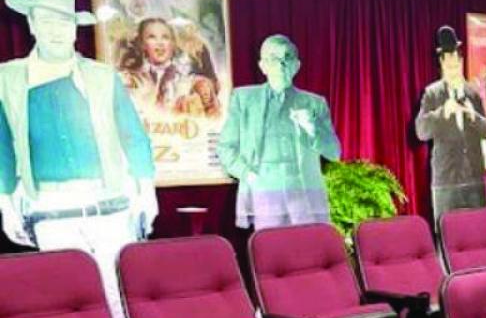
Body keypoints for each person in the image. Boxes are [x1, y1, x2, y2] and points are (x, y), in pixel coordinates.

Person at [0, 0, 158, 318]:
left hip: (108, 202)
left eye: (63, 21)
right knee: (68, 296)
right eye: (46, 20)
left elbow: (133, 135)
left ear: (74, 28)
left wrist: (147, 191)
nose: (55, 30)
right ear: (31, 24)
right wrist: (5, 205)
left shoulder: (101, 76)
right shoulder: (7, 78)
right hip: (50, 206)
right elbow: (2, 149)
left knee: (118, 294)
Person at [217, 34, 341, 229]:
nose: (281, 65)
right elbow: (225, 147)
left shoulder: (315, 103)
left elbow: (334, 152)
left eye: (287, 58)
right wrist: (247, 175)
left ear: (297, 66)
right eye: (274, 58)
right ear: (262, 66)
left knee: (307, 245)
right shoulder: (244, 99)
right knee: (270, 245)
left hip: (304, 192)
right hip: (264, 191)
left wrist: (312, 128)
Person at [415, 25, 486, 222]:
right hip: (446, 184)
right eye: (448, 66)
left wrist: (474, 117)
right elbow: (421, 131)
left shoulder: (472, 93)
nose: (453, 71)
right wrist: (443, 112)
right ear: (441, 64)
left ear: (461, 62)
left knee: (477, 231)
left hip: (474, 181)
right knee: (447, 234)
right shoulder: (432, 94)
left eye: (456, 65)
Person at [119, 16, 219, 117]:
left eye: (165, 37)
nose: (160, 43)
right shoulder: (133, 78)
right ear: (142, 44)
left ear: (173, 43)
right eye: (152, 37)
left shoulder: (187, 80)